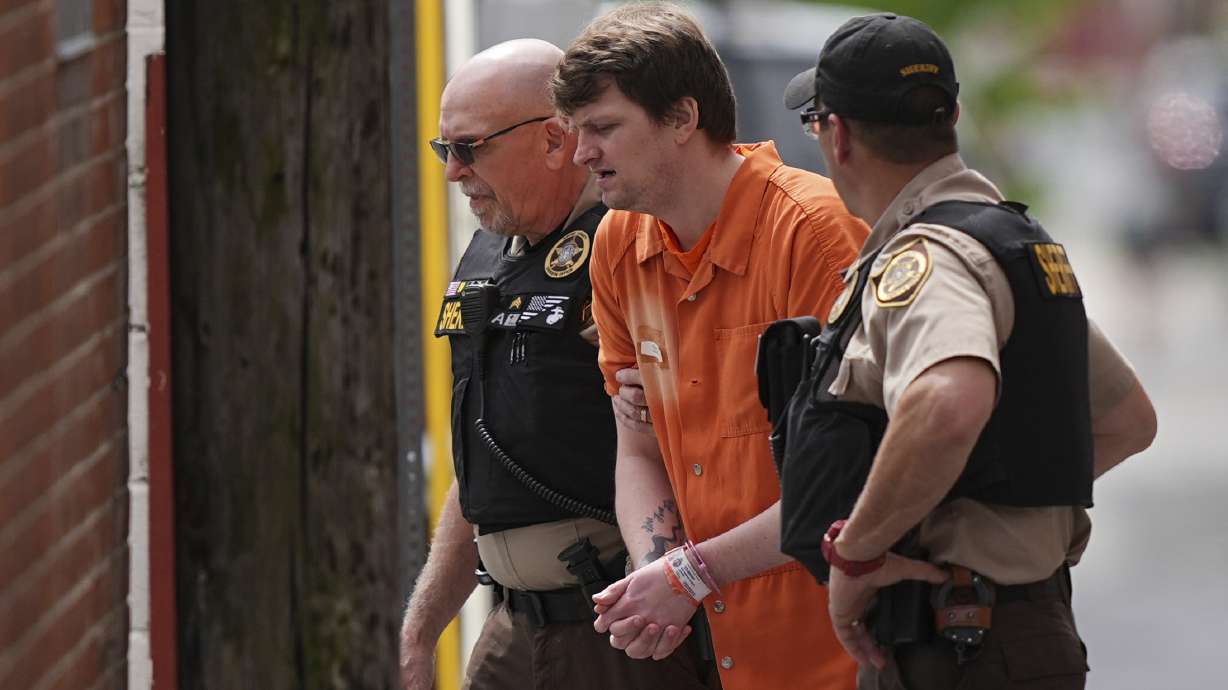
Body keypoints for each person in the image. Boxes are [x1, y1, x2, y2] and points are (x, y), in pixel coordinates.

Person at [779, 13, 1158, 689]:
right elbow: (1129, 421)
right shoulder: (1011, 245)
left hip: (956, 646)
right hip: (1018, 628)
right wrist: (988, 508)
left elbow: (949, 402)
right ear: (951, 114)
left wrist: (859, 557)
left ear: (835, 135)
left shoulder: (929, 258)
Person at [549, 5, 869, 689]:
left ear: (683, 118)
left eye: (603, 128)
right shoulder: (617, 243)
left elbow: (851, 480)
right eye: (576, 132)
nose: (581, 154)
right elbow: (635, 447)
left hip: (835, 657)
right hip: (715, 656)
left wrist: (687, 574)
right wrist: (654, 575)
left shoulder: (814, 232)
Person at [398, 39, 719, 690]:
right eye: (444, 150)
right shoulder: (490, 253)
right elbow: (489, 452)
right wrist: (419, 630)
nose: (453, 173)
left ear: (552, 140)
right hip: (513, 625)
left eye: (468, 148)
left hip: (615, 624)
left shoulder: (630, 242)